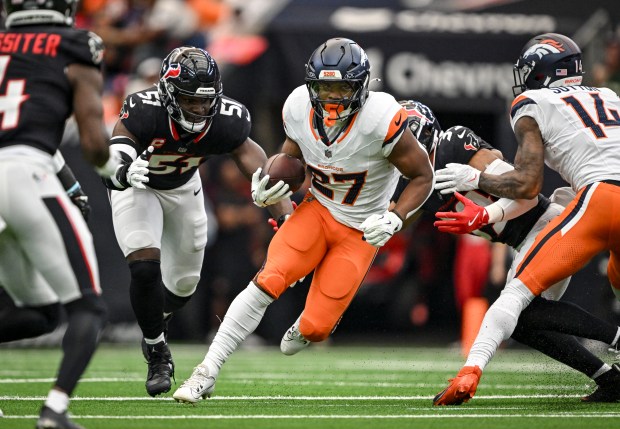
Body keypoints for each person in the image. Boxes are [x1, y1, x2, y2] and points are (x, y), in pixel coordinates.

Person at [172, 37, 434, 403]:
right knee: (267, 281)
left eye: (341, 87)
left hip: (360, 229)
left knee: (317, 328)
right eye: (324, 87)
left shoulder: (381, 117)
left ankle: (307, 325)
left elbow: (424, 176)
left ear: (360, 86)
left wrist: (396, 216)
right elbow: (291, 158)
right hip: (318, 210)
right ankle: (206, 371)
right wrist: (272, 186)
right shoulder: (297, 106)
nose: (332, 96)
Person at [432, 32, 620, 405]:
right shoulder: (609, 96)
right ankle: (612, 378)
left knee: (516, 294)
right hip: (599, 193)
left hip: (602, 198)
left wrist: (476, 179)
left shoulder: (532, 101)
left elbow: (526, 183)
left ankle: (470, 372)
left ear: (540, 72)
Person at [101, 46, 293, 397]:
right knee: (144, 266)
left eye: (205, 101)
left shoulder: (227, 119)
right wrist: (124, 170)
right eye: (190, 101)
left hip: (184, 188)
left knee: (183, 286)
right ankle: (157, 350)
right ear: (168, 93)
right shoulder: (144, 109)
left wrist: (285, 216)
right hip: (138, 184)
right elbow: (115, 153)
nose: (200, 109)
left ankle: (156, 322)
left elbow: (259, 169)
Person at [0, 0, 124, 427]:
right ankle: (55, 409)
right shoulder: (75, 44)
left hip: (20, 165)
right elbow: (92, 140)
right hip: (24, 177)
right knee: (89, 307)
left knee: (38, 313)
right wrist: (115, 172)